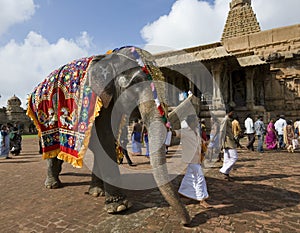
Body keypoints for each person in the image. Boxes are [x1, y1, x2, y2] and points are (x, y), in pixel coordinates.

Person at [173, 114, 213, 209]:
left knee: (189, 176)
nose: (197, 122)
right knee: (200, 178)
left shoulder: (196, 131)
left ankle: (183, 191)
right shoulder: (185, 131)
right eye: (196, 121)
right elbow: (176, 133)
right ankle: (201, 199)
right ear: (191, 122)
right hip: (192, 159)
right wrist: (167, 127)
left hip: (197, 158)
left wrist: (207, 142)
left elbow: (201, 142)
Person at [219, 110, 238, 181]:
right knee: (234, 157)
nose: (233, 114)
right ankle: (224, 170)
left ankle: (226, 174)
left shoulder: (229, 120)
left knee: (226, 159)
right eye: (232, 112)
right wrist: (220, 143)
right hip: (227, 141)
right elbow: (221, 131)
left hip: (230, 140)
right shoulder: (225, 119)